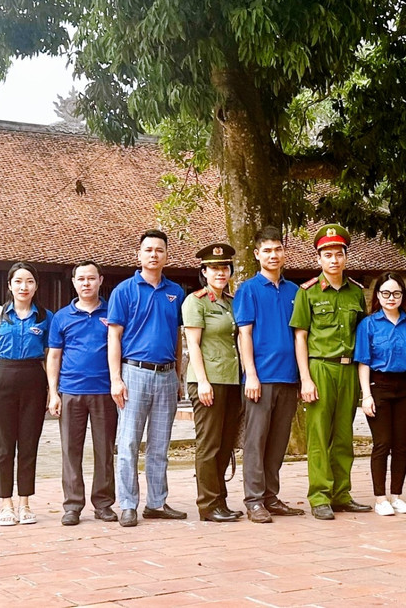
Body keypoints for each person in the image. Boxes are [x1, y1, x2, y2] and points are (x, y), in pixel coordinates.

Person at [106, 229, 188, 527]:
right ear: (138, 255)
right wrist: (116, 379)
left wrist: (178, 375)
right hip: (134, 372)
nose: (154, 254)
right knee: (128, 443)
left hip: (166, 375)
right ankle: (128, 503)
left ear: (167, 255)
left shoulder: (176, 292)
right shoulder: (124, 291)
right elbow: (114, 336)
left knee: (159, 444)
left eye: (160, 250)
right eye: (149, 250)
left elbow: (178, 336)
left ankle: (156, 502)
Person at [292, 224, 372, 521]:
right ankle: (319, 495)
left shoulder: (356, 293)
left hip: (348, 369)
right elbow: (300, 336)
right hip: (320, 367)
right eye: (327, 255)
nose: (334, 260)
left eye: (338, 254)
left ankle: (341, 494)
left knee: (343, 435)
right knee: (319, 435)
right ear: (319, 259)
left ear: (345, 257)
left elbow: (362, 334)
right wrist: (306, 378)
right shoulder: (308, 292)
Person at [233, 225, 305, 524]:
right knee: (256, 441)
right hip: (260, 380)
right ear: (257, 254)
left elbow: (301, 336)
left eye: (277, 249)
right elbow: (244, 334)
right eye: (267, 250)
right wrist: (251, 374)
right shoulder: (248, 290)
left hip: (288, 378)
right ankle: (253, 500)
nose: (273, 255)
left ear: (284, 252)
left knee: (278, 442)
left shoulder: (295, 291)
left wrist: (303, 377)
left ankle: (271, 496)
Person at [0, 262, 52, 527]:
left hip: (33, 379)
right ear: (9, 285)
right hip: (3, 379)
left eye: (29, 281)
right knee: (4, 446)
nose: (24, 286)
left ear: (36, 286)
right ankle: (6, 504)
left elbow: (50, 357)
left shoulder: (45, 317)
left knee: (29, 445)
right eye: (18, 281)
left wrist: (52, 392)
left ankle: (25, 502)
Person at [46, 261, 118, 526]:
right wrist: (53, 393)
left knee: (105, 450)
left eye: (91, 278)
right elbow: (54, 356)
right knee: (70, 451)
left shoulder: (113, 312)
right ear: (74, 283)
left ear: (100, 280)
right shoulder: (61, 317)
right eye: (81, 279)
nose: (86, 283)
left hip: (104, 392)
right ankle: (73, 505)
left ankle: (103, 504)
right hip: (71, 391)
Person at [181, 242, 244, 523]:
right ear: (204, 271)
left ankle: (221, 500)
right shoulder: (195, 301)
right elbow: (193, 344)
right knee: (209, 444)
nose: (221, 272)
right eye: (215, 268)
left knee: (225, 442)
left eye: (225, 267)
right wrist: (203, 382)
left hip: (231, 381)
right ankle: (207, 504)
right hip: (208, 381)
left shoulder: (230, 302)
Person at [354, 272, 406, 516]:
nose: (391, 298)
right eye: (386, 293)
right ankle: (380, 498)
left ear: (403, 296)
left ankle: (397, 496)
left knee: (402, 445)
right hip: (378, 386)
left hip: (405, 387)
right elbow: (363, 362)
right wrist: (366, 395)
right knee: (382, 444)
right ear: (378, 295)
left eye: (397, 293)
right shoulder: (368, 324)